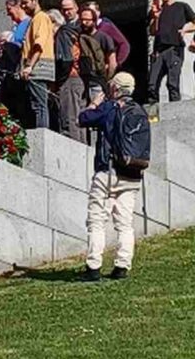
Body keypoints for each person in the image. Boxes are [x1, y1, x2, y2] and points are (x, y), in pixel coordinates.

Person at [78, 73, 149, 281]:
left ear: (115, 88)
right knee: (125, 223)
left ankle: (93, 267)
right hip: (133, 172)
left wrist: (93, 104)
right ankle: (122, 266)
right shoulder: (139, 110)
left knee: (97, 221)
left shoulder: (109, 108)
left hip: (108, 172)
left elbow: (83, 119)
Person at [147, 0, 195, 104]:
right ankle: (153, 114)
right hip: (159, 50)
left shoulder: (181, 6)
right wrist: (156, 17)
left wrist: (186, 29)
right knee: (152, 85)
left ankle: (175, 113)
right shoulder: (157, 10)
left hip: (174, 48)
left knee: (172, 83)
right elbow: (153, 31)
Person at [20, 0, 55, 129]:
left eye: (25, 2)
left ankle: (41, 134)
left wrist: (29, 66)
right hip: (38, 67)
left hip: (38, 68)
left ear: (35, 1)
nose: (23, 6)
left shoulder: (40, 17)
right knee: (38, 104)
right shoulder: (37, 19)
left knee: (39, 105)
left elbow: (38, 44)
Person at [55, 0, 86, 142]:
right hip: (81, 77)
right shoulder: (84, 28)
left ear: (76, 8)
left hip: (71, 76)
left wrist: (59, 77)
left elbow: (67, 58)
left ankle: (73, 146)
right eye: (64, 10)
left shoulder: (65, 31)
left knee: (70, 115)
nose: (67, 12)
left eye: (69, 9)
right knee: (78, 114)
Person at [85, 1, 130, 68]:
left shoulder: (106, 26)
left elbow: (124, 44)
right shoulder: (85, 29)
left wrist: (116, 63)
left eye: (92, 11)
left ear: (98, 13)